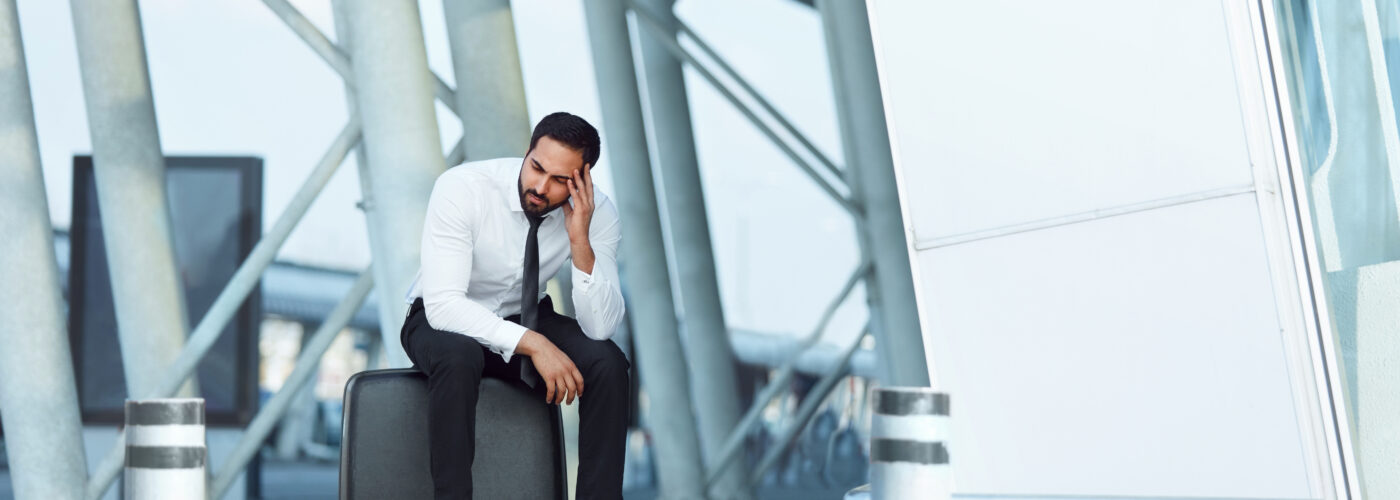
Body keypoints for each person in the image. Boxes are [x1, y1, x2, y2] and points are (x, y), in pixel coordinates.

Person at [400, 112, 629, 499]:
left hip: (526, 314)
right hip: (442, 323)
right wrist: (534, 343)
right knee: (459, 357)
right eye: (537, 167)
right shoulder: (463, 188)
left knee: (607, 363)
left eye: (559, 181)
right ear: (527, 151)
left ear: (582, 179)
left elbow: (600, 327)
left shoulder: (598, 215)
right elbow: (444, 306)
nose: (540, 187)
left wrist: (579, 242)